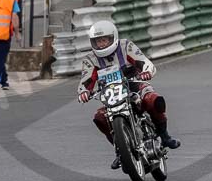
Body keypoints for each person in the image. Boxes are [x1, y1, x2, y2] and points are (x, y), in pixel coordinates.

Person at [77, 20, 181, 169]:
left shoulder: (126, 46)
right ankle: (120, 150)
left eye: (104, 40)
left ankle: (164, 136)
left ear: (113, 37)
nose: (101, 44)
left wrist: (146, 71)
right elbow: (86, 80)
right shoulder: (90, 59)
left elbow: (143, 61)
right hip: (110, 93)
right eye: (97, 41)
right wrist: (84, 92)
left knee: (154, 100)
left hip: (134, 84)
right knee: (100, 117)